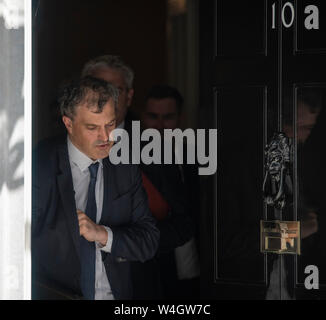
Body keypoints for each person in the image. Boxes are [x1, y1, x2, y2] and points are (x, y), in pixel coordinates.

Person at [32, 76, 159, 300]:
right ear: (68, 123)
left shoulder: (124, 164)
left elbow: (148, 242)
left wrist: (102, 234)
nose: (106, 137)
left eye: (110, 124)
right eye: (92, 127)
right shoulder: (41, 163)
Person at [140, 85, 200, 300]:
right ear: (143, 118)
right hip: (155, 272)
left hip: (199, 269)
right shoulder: (131, 161)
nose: (159, 126)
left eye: (168, 117)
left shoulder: (196, 158)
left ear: (180, 119)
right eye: (153, 117)